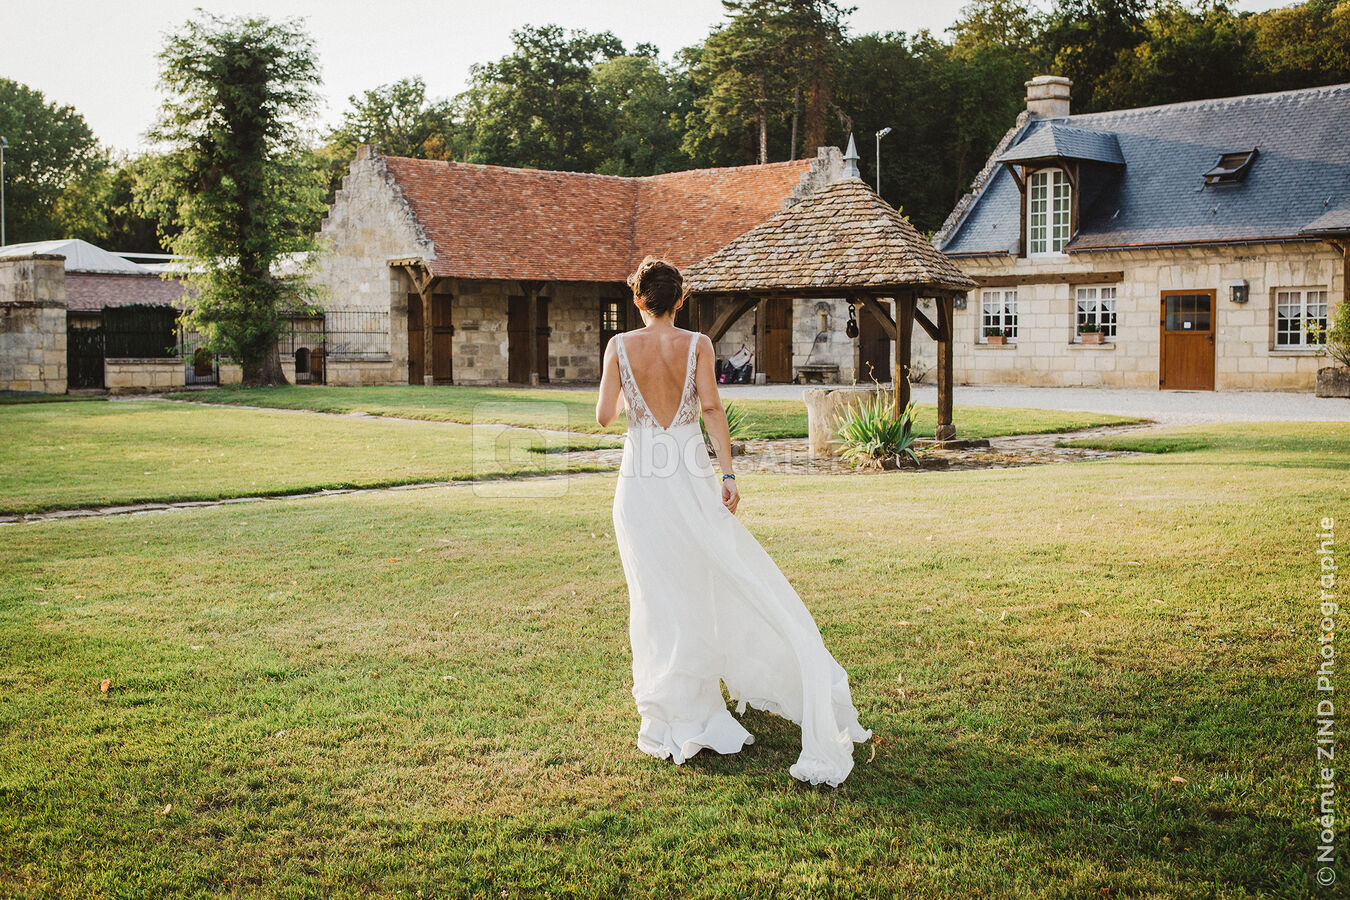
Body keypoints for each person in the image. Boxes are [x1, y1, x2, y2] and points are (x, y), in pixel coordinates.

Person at [595, 255, 872, 787]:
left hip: (640, 484)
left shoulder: (618, 347)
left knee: (653, 594)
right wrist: (728, 474)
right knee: (700, 583)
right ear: (681, 300)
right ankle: (699, 701)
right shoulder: (698, 344)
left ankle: (669, 709)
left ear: (637, 299)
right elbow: (712, 410)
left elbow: (605, 416)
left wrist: (630, 389)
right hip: (688, 477)